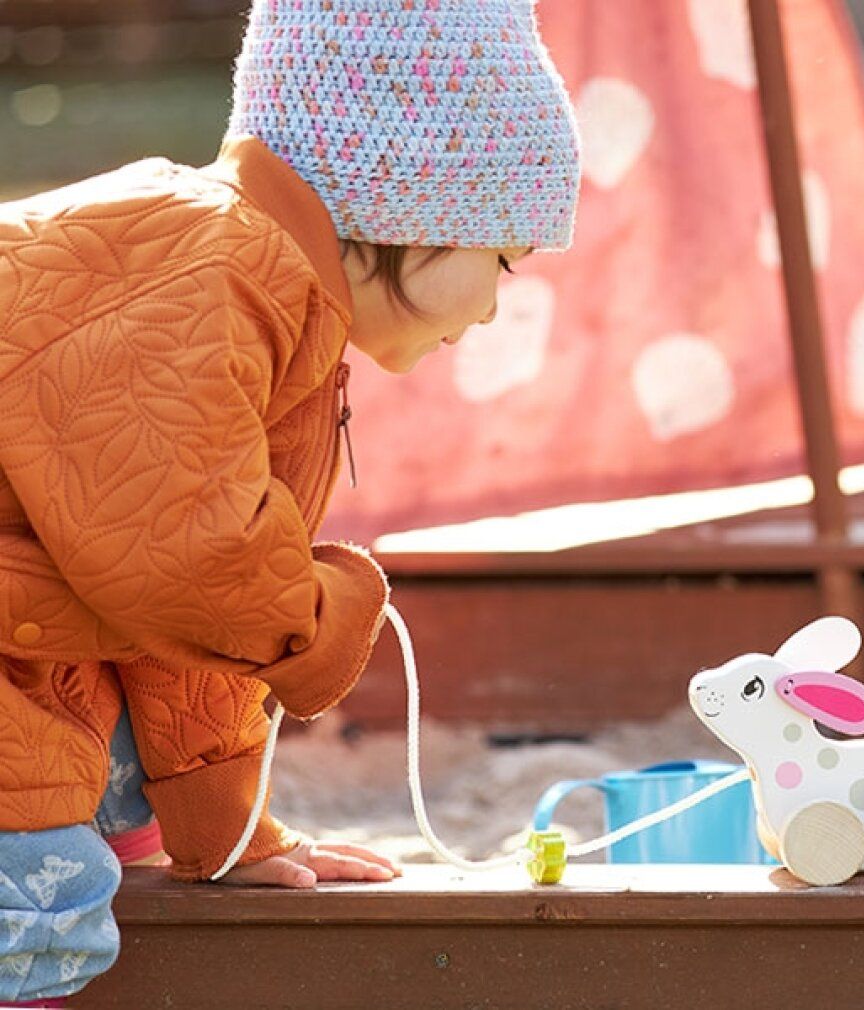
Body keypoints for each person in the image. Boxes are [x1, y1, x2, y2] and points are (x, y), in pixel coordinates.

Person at [0, 0, 580, 1004]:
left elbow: (168, 621)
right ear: (416, 204)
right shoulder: (210, 270)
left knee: (90, 783)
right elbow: (191, 563)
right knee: (35, 914)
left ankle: (138, 830)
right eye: (504, 260)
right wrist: (322, 616)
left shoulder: (276, 302)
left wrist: (228, 819)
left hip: (31, 628)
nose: (492, 306)